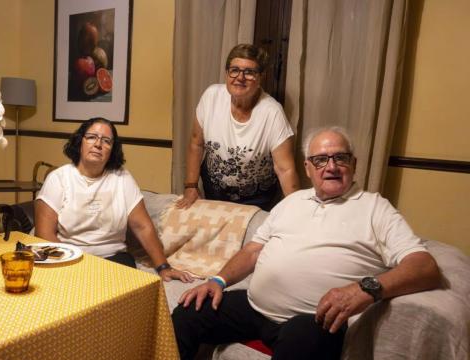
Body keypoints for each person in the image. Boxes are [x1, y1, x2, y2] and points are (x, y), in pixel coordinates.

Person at [172, 127, 442, 359]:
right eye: (321, 159)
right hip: (255, 306)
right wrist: (217, 281)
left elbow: (424, 267)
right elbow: (253, 250)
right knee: (187, 313)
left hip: (312, 319)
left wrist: (365, 289)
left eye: (340, 157)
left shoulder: (375, 208)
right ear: (308, 168)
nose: (331, 166)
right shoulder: (291, 202)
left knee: (303, 340)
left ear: (354, 163)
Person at [34, 117, 193, 282]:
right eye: (91, 137)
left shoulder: (122, 178)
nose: (98, 144)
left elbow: (142, 226)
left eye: (106, 141)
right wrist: (73, 263)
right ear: (80, 142)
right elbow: (44, 234)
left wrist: (163, 267)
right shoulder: (58, 178)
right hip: (70, 258)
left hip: (114, 259)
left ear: (112, 150)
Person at [176, 44, 300, 211]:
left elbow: (285, 169)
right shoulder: (211, 96)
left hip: (257, 197)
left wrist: (298, 212)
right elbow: (196, 144)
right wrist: (190, 186)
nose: (240, 77)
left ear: (260, 77)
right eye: (234, 70)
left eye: (249, 72)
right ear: (227, 73)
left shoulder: (272, 112)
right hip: (214, 189)